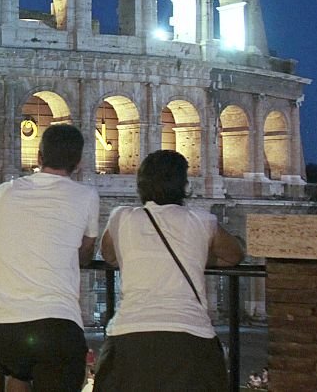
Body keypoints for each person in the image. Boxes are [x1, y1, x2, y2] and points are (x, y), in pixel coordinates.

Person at [93, 149, 245, 391]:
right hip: (189, 338)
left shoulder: (121, 218)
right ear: (183, 184)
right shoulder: (201, 220)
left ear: (140, 184)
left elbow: (109, 256)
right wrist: (194, 257)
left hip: (128, 337)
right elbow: (235, 255)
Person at [0, 123, 100, 392]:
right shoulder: (85, 195)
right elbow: (85, 252)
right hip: (56, 321)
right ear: (79, 162)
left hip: (3, 324)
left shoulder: (4, 192)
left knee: (19, 374)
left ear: (39, 157)